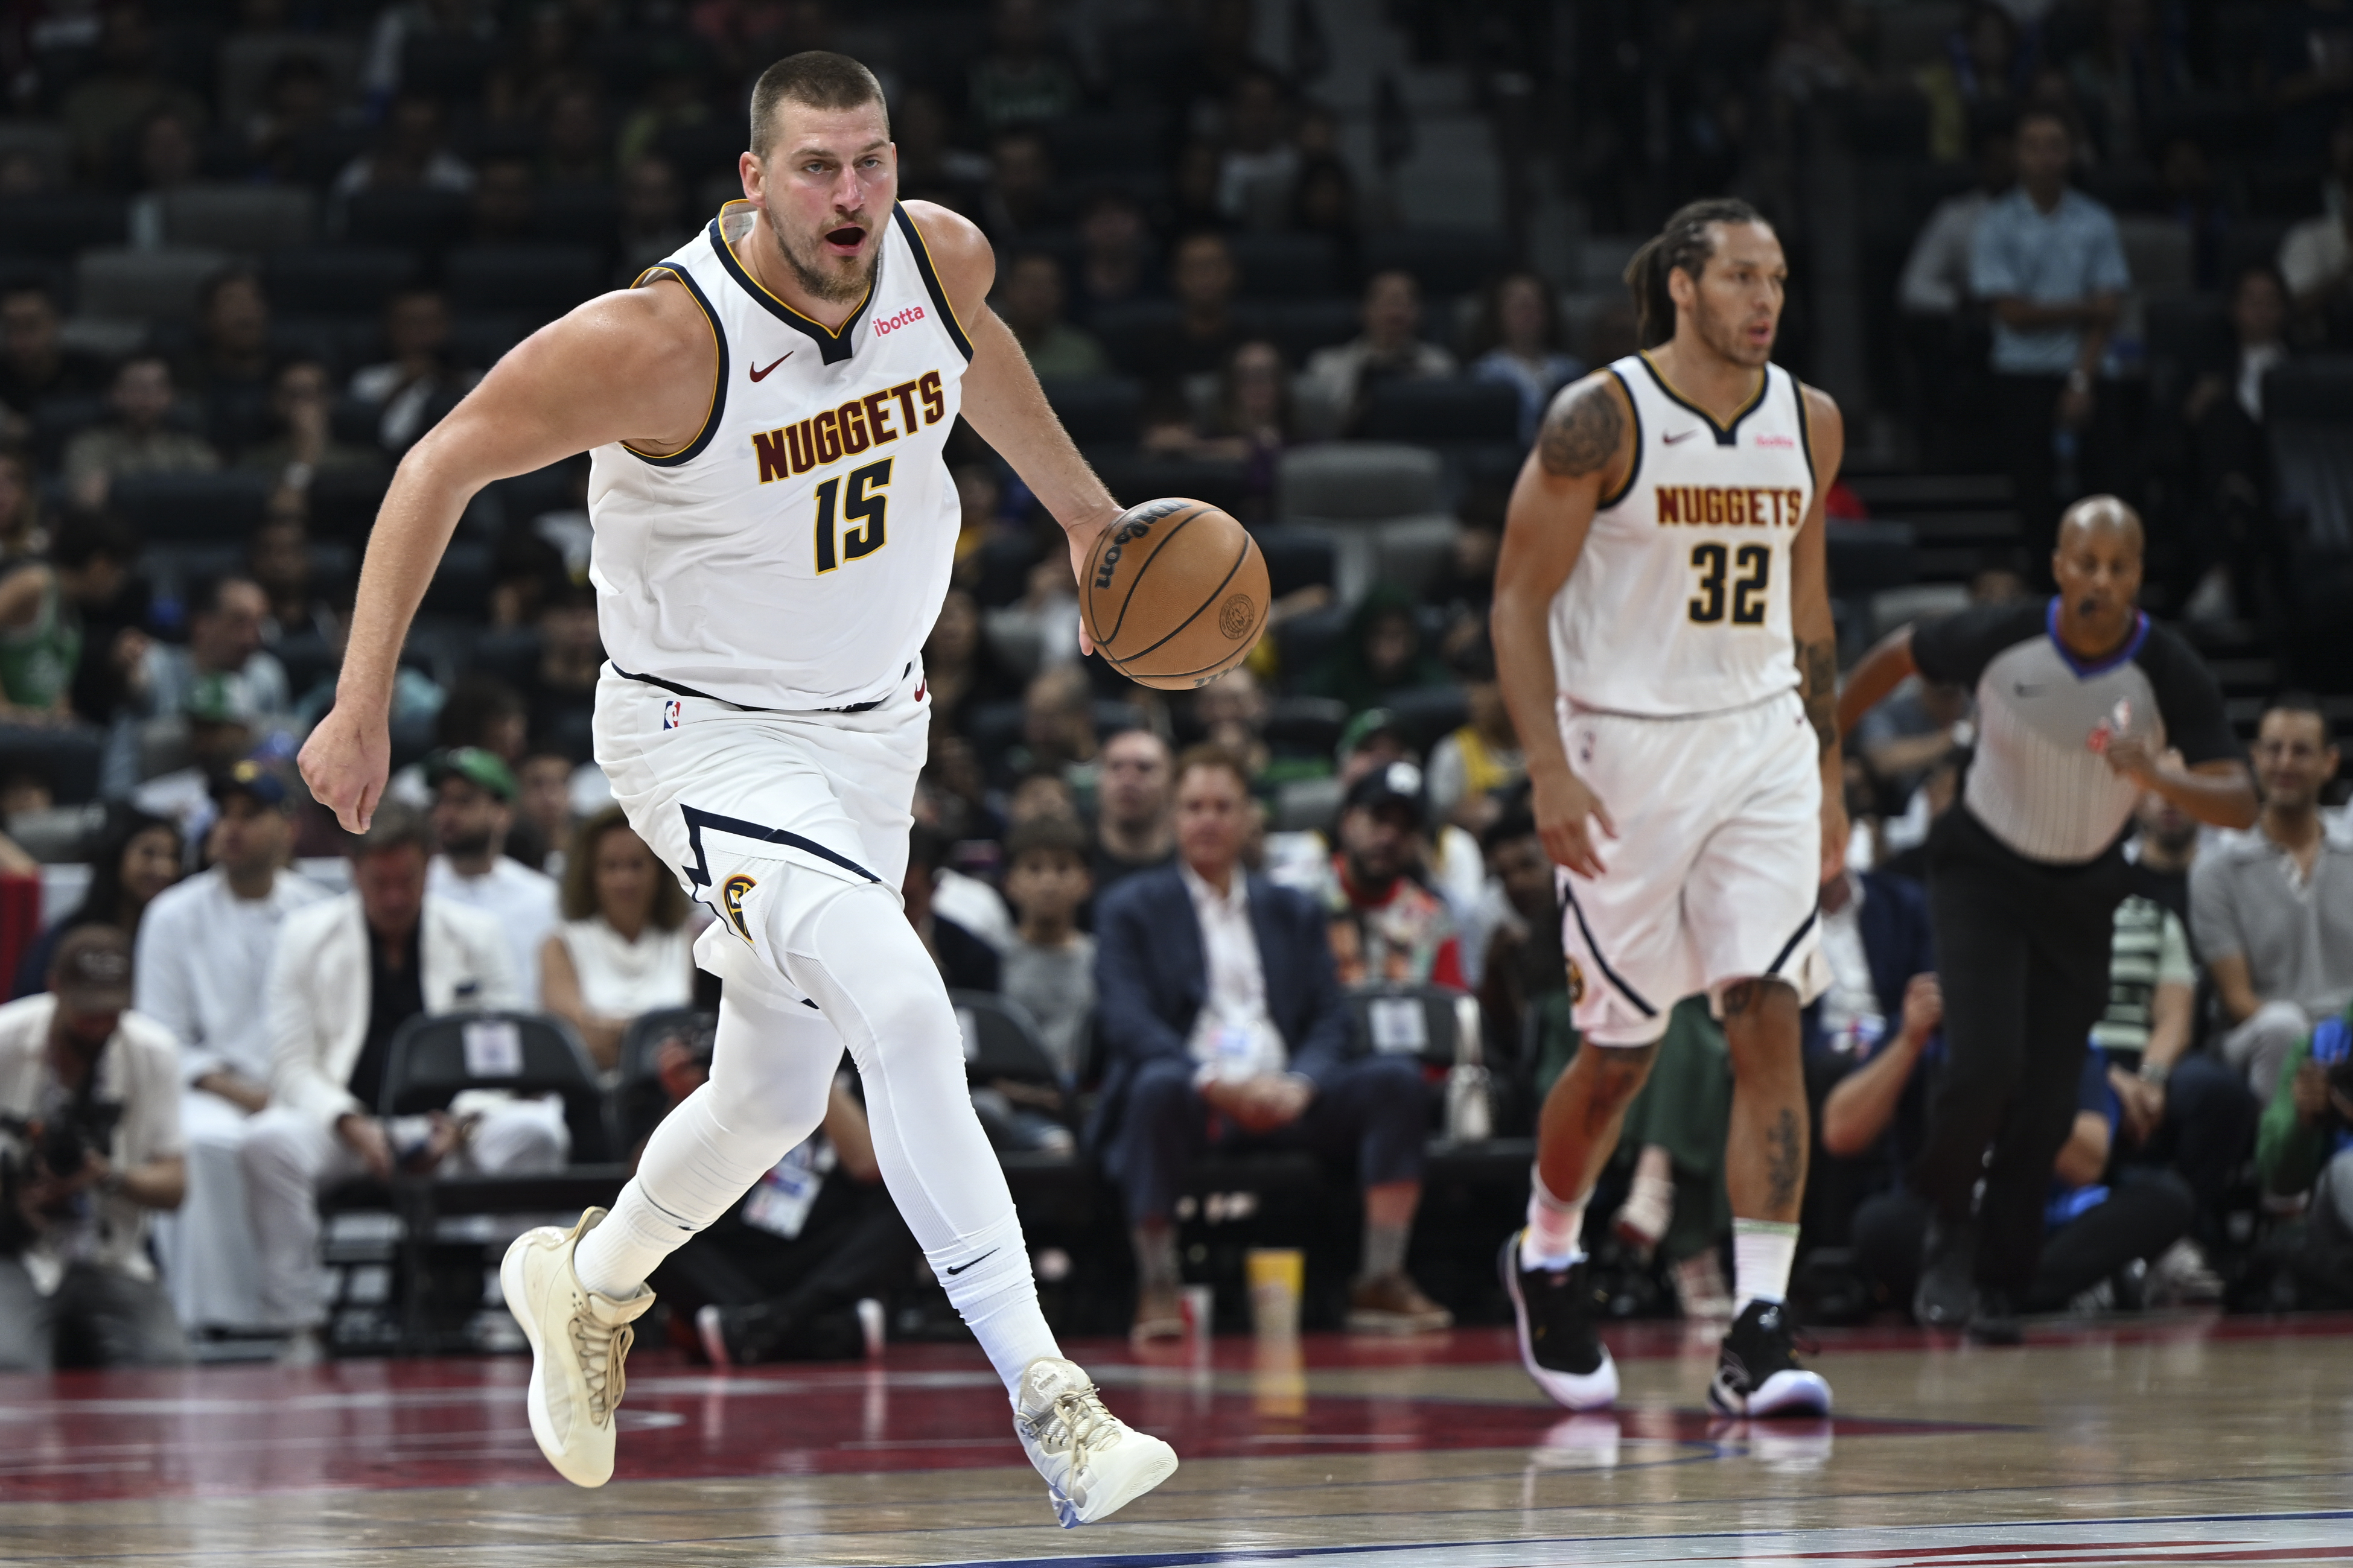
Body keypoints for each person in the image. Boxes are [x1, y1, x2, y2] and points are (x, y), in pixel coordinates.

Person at [295, 50, 1175, 1520]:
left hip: (875, 731)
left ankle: (583, 1282)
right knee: (899, 1002)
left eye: (872, 161)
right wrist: (360, 702)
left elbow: (977, 351)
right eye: (819, 168)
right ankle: (1052, 1397)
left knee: (770, 1092)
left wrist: (1087, 515)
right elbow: (438, 464)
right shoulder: (654, 339)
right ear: (754, 181)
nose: (852, 196)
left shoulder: (938, 260)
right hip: (704, 735)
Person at [1489, 197, 1848, 1417]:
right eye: (1742, 277)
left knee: (1765, 1020)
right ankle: (1545, 1250)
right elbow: (1514, 602)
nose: (1764, 300)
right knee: (1619, 1058)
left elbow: (1808, 616)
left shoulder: (1807, 421)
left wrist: (1831, 783)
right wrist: (1543, 765)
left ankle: (1758, 1324)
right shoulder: (1599, 419)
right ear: (1681, 286)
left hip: (1758, 744)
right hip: (1622, 752)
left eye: (1780, 280)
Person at [1838, 497, 2255, 1341]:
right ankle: (1949, 1225)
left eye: (2119, 566)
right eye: (2085, 563)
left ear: (2137, 574)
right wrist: (1824, 730)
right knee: (1982, 1064)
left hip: (2082, 889)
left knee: (2045, 1101)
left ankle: (2000, 1278)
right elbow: (1896, 654)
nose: (2101, 579)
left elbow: (2240, 799)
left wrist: (2162, 779)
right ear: (2059, 567)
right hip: (1982, 873)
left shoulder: (2165, 667)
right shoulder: (2002, 634)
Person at [1095, 747, 1451, 1341]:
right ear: (1173, 818)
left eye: (1221, 807)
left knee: (1394, 1080)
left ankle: (1380, 1277)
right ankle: (1157, 1284)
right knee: (1152, 1084)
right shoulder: (1130, 908)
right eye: (1193, 807)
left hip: (1286, 1091)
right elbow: (1126, 1021)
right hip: (1195, 1093)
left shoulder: (1291, 907)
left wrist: (1301, 1083)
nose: (1207, 820)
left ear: (1246, 819)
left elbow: (1331, 1019)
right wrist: (1212, 1080)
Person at [239, 802, 546, 1362]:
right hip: (348, 1128)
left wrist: (459, 1121)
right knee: (266, 1142)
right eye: (381, 883)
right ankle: (300, 1324)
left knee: (534, 1132)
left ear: (429, 868)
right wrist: (352, 1124)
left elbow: (504, 1056)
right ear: (354, 872)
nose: (396, 897)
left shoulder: (477, 934)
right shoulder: (305, 937)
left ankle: (515, 1312)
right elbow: (291, 1064)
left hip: (453, 1129)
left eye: (407, 880)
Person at [134, 763, 330, 1333]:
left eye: (250, 815)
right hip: (208, 1087)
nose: (231, 828)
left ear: (286, 829)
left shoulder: (317, 912)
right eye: (224, 815)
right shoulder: (172, 914)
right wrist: (236, 1090)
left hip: (301, 1088)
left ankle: (295, 1316)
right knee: (202, 1141)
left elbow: (337, 1024)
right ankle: (218, 1321)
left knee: (283, 1141)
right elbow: (162, 1033)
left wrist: (295, 1089)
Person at [0, 927, 189, 1371]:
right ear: (55, 988)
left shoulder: (153, 1051)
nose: (98, 1023)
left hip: (112, 1254)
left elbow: (176, 1186)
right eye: (87, 1010)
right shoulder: (5, 1041)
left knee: (166, 1363)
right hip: (13, 1253)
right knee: (10, 1366)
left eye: (111, 1011)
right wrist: (14, 1199)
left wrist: (108, 1174)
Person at [1970, 108, 2132, 569]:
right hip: (2021, 373)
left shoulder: (2096, 221)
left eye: (2054, 145)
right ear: (2017, 155)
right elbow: (2011, 314)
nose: (2044, 156)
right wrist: (2083, 308)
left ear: (2071, 153)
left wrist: (2081, 379)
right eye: (2033, 145)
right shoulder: (1995, 224)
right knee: (2034, 498)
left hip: (2089, 368)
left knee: (2104, 490)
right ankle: (2048, 595)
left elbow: (2110, 313)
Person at [2189, 695, 2353, 1105]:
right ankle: (2275, 1160)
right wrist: (2316, 1041)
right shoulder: (2216, 867)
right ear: (2254, 758)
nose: (2284, 763)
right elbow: (2238, 999)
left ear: (2328, 763)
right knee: (2282, 1026)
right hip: (2258, 1034)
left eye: (2300, 751)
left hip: (2347, 1028)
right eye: (2273, 749)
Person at [541, 806, 695, 1073]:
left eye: (637, 865)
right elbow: (577, 1039)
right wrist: (663, 1037)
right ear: (590, 875)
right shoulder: (560, 946)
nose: (625, 880)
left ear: (661, 871)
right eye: (611, 867)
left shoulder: (691, 939)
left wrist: (616, 1030)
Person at [424, 747, 562, 1009]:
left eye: (464, 801)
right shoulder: (416, 889)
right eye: (441, 801)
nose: (447, 814)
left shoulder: (542, 897)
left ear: (502, 813)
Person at [1316, 762, 1465, 989]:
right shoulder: (1299, 899)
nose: (1390, 836)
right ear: (1347, 821)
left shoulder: (1433, 923)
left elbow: (1448, 1012)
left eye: (1405, 826)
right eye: (1379, 818)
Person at [13, 807, 182, 1000]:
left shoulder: (179, 936)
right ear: (115, 855)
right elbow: (29, 1005)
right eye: (149, 854)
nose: (164, 869)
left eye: (173, 857)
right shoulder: (68, 937)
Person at [1299, 270, 1457, 439]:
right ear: (1364, 309)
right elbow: (1321, 429)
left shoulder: (1440, 365)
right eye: (1388, 301)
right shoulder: (1327, 365)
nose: (1396, 312)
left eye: (1406, 302)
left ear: (1420, 312)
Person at [999, 811, 1095, 1087]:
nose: (1049, 882)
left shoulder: (1101, 960)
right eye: (1034, 868)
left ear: (1086, 883)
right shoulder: (990, 959)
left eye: (1063, 868)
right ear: (1010, 884)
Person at [62, 355, 221, 508]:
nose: (145, 397)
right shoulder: (90, 445)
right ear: (114, 394)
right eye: (135, 388)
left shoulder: (191, 447)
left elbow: (213, 498)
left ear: (171, 395)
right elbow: (87, 505)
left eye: (155, 388)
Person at [1469, 271, 1586, 448]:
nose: (1528, 313)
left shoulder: (1572, 370)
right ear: (1497, 313)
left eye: (1535, 305)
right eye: (1519, 306)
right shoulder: (1484, 372)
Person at [996, 252, 1108, 379]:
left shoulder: (1083, 351)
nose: (1038, 293)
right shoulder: (978, 349)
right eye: (1027, 283)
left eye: (1048, 284)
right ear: (1006, 291)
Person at [1092, 726, 1176, 895]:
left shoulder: (1193, 860)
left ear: (1172, 783)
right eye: (1116, 767)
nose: (1128, 780)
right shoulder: (1075, 858)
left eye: (1144, 768)